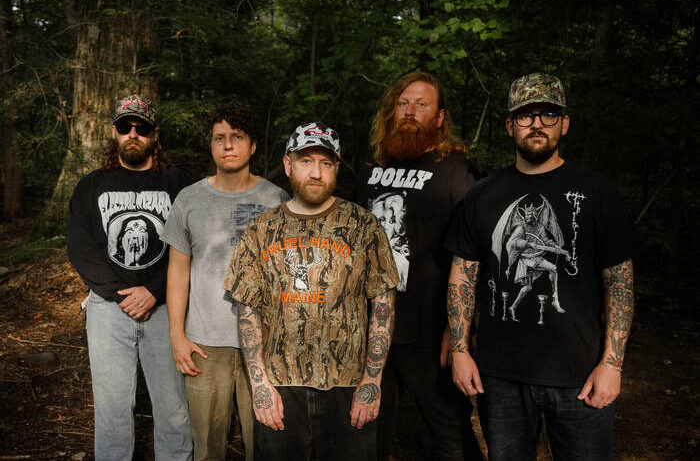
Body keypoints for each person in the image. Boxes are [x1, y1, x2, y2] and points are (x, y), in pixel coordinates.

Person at [445, 73, 635, 461]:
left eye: (548, 114)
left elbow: (620, 283)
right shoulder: (482, 195)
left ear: (564, 123)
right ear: (509, 125)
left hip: (580, 375)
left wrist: (612, 364)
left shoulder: (598, 192)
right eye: (525, 115)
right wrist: (461, 351)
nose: (536, 124)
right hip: (501, 377)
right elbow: (462, 276)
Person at [223, 122, 398, 461]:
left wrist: (372, 381)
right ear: (288, 165)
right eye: (306, 161)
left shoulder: (364, 226)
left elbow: (383, 305)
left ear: (336, 168)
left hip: (348, 386)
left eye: (325, 163)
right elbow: (248, 311)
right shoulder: (261, 229)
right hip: (280, 388)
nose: (316, 172)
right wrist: (259, 386)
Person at [356, 71, 482, 461]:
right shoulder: (369, 169)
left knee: (451, 434)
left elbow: (473, 257)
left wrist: (457, 331)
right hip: (372, 329)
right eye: (403, 103)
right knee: (369, 433)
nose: (410, 111)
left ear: (440, 117)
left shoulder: (456, 171)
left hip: (429, 332)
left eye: (422, 104)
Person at [66, 94, 193, 460]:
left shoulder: (178, 183)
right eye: (125, 126)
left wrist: (153, 291)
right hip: (108, 310)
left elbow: (192, 245)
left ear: (155, 134)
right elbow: (80, 247)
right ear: (114, 132)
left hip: (166, 309)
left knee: (173, 407)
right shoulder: (91, 186)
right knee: (112, 410)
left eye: (142, 128)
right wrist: (123, 294)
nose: (133, 134)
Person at [161, 101, 288, 461]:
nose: (228, 145)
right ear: (211, 145)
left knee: (265, 443)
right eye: (220, 138)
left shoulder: (276, 199)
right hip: (205, 344)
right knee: (207, 447)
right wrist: (177, 336)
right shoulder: (189, 199)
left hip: (264, 344)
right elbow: (178, 271)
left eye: (238, 136)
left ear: (253, 145)